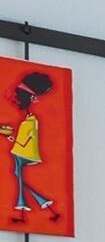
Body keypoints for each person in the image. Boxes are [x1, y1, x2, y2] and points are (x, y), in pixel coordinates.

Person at [5, 72, 59, 222]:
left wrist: (9, 137)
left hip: (23, 153)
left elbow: (25, 141)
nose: (14, 97)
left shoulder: (30, 122)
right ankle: (43, 202)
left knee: (19, 177)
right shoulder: (28, 120)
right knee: (17, 176)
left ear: (32, 98)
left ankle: (22, 211)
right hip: (21, 152)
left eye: (19, 94)